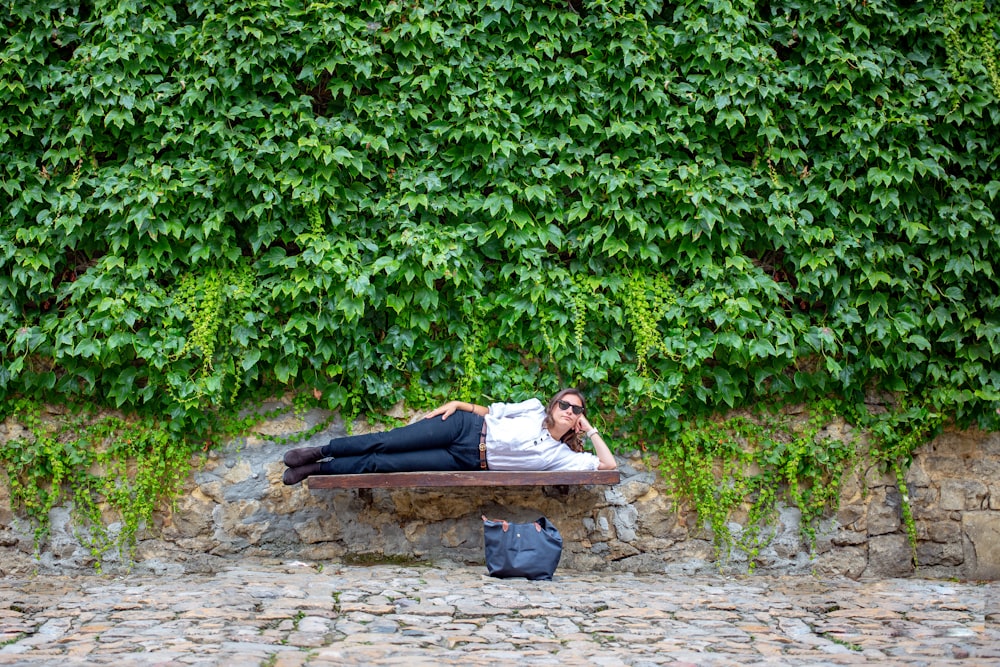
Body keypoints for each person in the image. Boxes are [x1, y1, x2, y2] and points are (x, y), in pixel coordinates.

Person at [281, 388, 617, 485]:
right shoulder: (531, 409)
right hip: (464, 428)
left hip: (467, 460)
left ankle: (317, 470)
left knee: (384, 463)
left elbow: (607, 465)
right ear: (553, 404)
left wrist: (591, 430)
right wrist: (460, 404)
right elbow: (492, 412)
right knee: (388, 441)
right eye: (564, 404)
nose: (569, 411)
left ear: (578, 421)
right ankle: (321, 451)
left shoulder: (564, 457)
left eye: (576, 410)